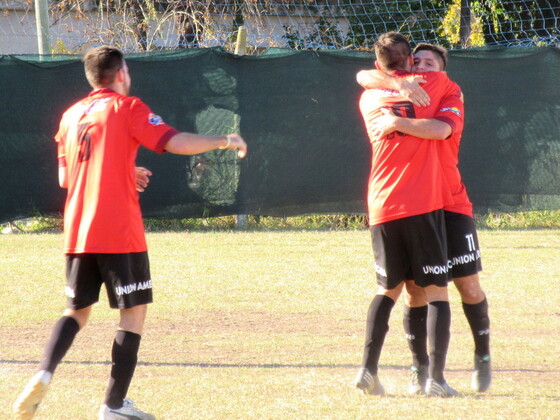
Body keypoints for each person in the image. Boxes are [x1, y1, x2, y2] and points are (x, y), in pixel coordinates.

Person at [13, 45, 247, 420]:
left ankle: (44, 371)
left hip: (78, 231)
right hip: (118, 230)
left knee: (76, 311)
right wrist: (225, 139)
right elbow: (174, 141)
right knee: (133, 314)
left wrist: (124, 170)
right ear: (120, 74)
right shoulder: (127, 107)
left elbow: (66, 178)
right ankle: (114, 405)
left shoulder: (71, 115)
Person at [356, 43, 491, 394]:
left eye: (430, 63)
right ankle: (424, 373)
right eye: (417, 62)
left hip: (450, 203)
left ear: (442, 69)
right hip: (421, 203)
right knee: (419, 291)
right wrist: (400, 84)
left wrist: (396, 120)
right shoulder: (412, 86)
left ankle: (483, 358)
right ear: (407, 67)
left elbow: (442, 130)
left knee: (468, 286)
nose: (423, 68)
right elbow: (366, 75)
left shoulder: (445, 89)